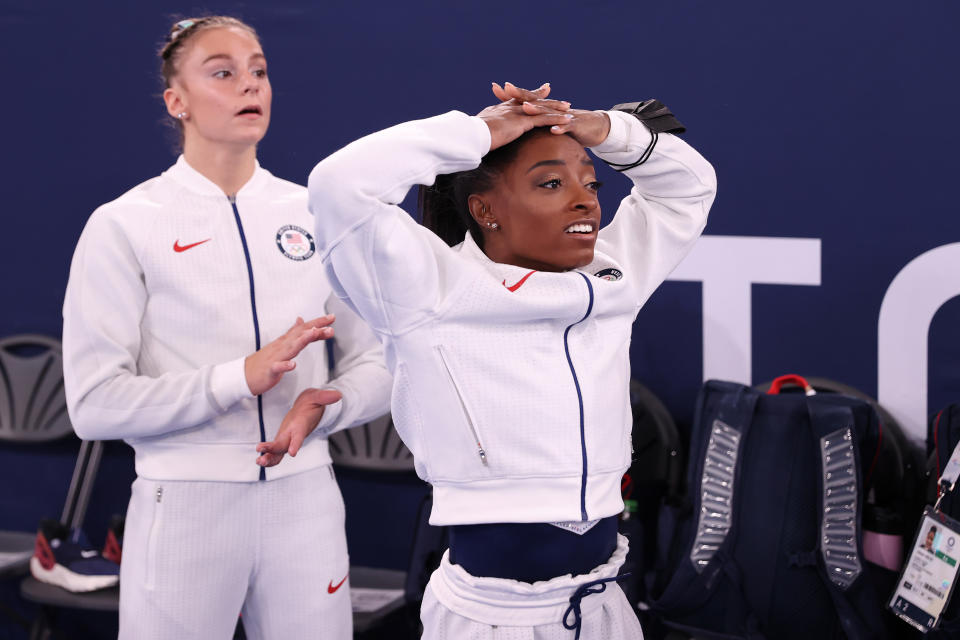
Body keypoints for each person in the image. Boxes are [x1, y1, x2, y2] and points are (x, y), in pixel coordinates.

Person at [260, 82, 716, 638]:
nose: (585, 199)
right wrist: (478, 132)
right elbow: (339, 183)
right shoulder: (428, 285)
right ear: (483, 209)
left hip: (602, 606)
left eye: (590, 182)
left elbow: (688, 189)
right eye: (551, 183)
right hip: (492, 617)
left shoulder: (614, 275)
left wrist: (600, 127)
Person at [61, 16, 391, 640]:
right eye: (223, 72)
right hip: (184, 509)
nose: (250, 86)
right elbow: (94, 406)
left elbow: (380, 363)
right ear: (176, 101)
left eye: (259, 71)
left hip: (307, 500)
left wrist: (332, 406)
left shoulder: (317, 214)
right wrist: (237, 378)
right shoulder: (124, 224)